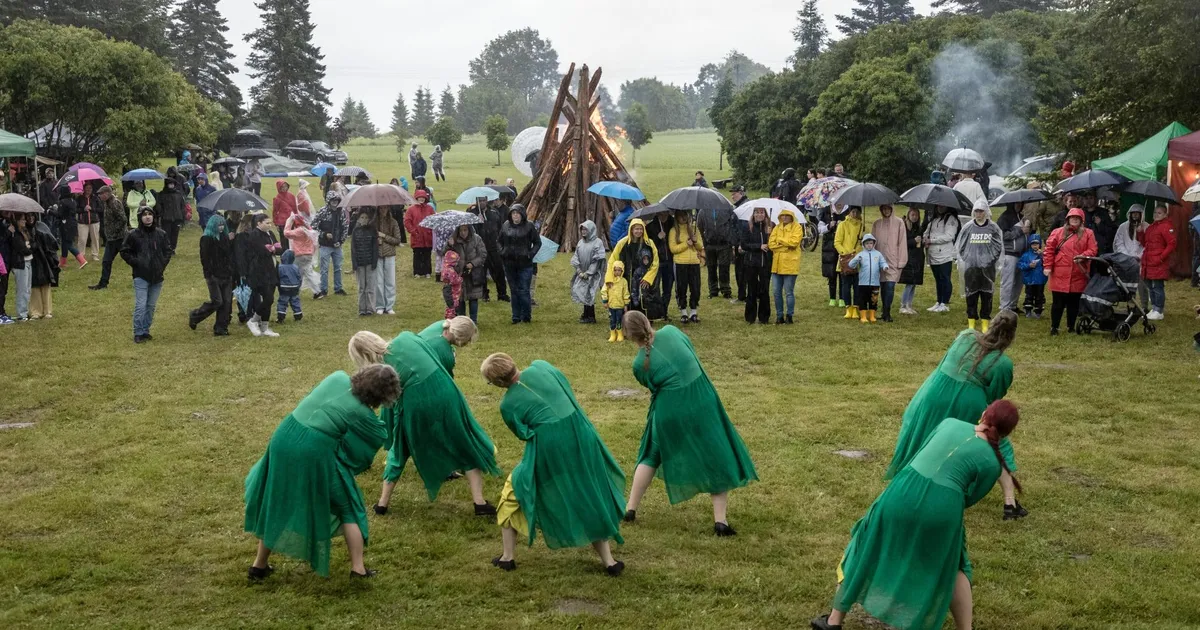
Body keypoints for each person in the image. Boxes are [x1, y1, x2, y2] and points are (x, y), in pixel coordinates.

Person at [811, 401, 1022, 630]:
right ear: (1006, 434)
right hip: (943, 510)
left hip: (901, 492)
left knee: (867, 546)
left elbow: (923, 452)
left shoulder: (949, 423)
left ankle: (833, 622)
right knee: (950, 564)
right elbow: (970, 498)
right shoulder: (992, 463)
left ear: (983, 414)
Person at [244, 365, 399, 580]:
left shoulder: (337, 378)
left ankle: (258, 566)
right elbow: (374, 438)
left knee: (280, 500)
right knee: (348, 506)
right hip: (311, 449)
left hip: (283, 436)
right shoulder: (362, 413)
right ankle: (358, 569)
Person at [480, 354, 627, 576]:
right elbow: (564, 387)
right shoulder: (542, 367)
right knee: (586, 492)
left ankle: (507, 557)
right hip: (582, 436)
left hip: (551, 448)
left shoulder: (508, 405)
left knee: (513, 491)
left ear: (498, 383)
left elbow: (523, 433)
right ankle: (609, 561)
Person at [621, 311, 757, 535]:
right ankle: (720, 521)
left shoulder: (639, 365)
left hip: (669, 411)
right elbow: (691, 355)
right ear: (647, 321)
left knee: (651, 454)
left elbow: (653, 386)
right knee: (715, 455)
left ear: (629, 336)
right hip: (702, 402)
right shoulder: (673, 332)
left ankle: (630, 509)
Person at [885, 312, 1024, 519]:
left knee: (922, 432)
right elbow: (995, 398)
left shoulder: (965, 336)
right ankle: (1010, 503)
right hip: (970, 405)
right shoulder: (1003, 364)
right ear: (1011, 336)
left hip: (933, 393)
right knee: (995, 441)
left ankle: (905, 482)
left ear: (991, 324)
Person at [347, 328, 500, 516]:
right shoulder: (407, 337)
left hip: (417, 405)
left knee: (400, 449)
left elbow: (390, 404)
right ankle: (480, 503)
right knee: (462, 442)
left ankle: (382, 504)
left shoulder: (381, 371)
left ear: (361, 354)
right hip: (447, 394)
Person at [120, 206, 174, 343]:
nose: (147, 217)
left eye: (150, 214)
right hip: (140, 275)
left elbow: (168, 250)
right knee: (141, 304)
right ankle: (138, 332)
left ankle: (145, 330)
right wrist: (136, 262)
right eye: (144, 215)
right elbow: (124, 251)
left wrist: (162, 264)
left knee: (151, 305)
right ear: (140, 218)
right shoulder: (133, 235)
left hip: (157, 276)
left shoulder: (161, 234)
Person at [1043, 207, 1097, 335]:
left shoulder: (1088, 233)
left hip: (1078, 272)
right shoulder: (1057, 232)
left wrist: (1083, 256)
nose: (1074, 220)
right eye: (1072, 217)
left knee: (1073, 303)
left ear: (1081, 220)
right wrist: (1047, 266)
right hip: (1060, 272)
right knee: (1058, 303)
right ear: (1067, 219)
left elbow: (1093, 249)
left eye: (1077, 218)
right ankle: (1054, 327)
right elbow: (1049, 249)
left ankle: (1071, 326)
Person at [956, 199, 1004, 332]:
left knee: (986, 296)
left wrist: (988, 261)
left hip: (988, 268)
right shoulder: (968, 227)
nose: (979, 214)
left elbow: (998, 247)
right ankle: (971, 323)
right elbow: (961, 246)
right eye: (976, 211)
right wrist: (969, 259)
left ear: (986, 212)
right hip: (971, 267)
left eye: (981, 211)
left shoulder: (993, 228)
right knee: (971, 295)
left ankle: (984, 323)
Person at [189, 215, 235, 336]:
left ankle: (221, 327)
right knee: (217, 301)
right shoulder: (206, 239)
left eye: (222, 224)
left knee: (226, 302)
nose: (221, 227)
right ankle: (195, 315)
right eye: (218, 225)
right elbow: (205, 258)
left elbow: (229, 256)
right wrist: (209, 274)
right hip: (214, 275)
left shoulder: (225, 237)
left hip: (226, 274)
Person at [239, 213, 282, 337]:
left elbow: (279, 248)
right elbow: (262, 251)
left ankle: (265, 327)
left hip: (272, 270)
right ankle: (253, 320)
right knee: (268, 298)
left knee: (269, 300)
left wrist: (273, 249)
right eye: (267, 223)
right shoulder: (254, 235)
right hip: (259, 272)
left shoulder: (270, 234)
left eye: (270, 223)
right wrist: (272, 249)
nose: (269, 225)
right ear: (258, 223)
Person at [608, 218, 660, 316]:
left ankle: (645, 317)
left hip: (644, 276)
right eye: (636, 229)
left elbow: (655, 262)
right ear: (631, 229)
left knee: (644, 297)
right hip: (627, 276)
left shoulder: (649, 243)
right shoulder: (622, 243)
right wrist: (611, 277)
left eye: (641, 229)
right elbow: (612, 260)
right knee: (627, 295)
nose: (639, 231)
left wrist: (648, 278)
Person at [498, 204, 539, 324]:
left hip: (524, 264)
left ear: (522, 214)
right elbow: (499, 241)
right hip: (509, 263)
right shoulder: (506, 225)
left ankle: (526, 315)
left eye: (517, 213)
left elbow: (537, 242)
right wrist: (502, 252)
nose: (515, 215)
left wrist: (530, 254)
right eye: (513, 213)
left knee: (524, 290)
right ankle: (515, 316)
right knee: (514, 290)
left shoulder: (529, 226)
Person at [1138, 204, 1177, 321]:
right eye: (1155, 212)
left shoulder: (1166, 226)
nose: (1156, 215)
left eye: (1159, 213)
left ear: (1165, 214)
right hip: (1148, 260)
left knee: (1157, 286)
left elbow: (1172, 243)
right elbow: (1145, 243)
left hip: (1158, 261)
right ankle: (1154, 308)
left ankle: (1159, 310)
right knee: (1150, 285)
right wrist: (1140, 233)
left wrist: (1161, 257)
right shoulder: (1151, 227)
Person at [871, 204, 907, 322]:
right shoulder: (877, 223)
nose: (886, 211)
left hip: (893, 259)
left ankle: (887, 311)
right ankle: (883, 312)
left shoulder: (899, 223)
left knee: (890, 285)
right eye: (884, 209)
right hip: (880, 260)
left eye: (888, 209)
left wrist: (901, 260)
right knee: (883, 286)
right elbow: (872, 242)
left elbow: (902, 242)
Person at [668, 209, 704, 324]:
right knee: (681, 288)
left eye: (685, 215)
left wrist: (694, 240)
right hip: (680, 263)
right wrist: (685, 244)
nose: (684, 218)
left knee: (695, 287)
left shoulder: (694, 229)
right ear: (677, 217)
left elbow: (700, 246)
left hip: (694, 262)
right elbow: (673, 249)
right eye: (681, 215)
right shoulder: (674, 231)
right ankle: (683, 312)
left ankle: (693, 311)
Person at [445, 224, 487, 323]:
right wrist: (449, 245)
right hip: (459, 273)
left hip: (473, 273)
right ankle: (462, 320)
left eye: (465, 230)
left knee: (473, 298)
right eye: (461, 230)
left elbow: (483, 254)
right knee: (460, 298)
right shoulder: (453, 240)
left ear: (469, 230)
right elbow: (445, 254)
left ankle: (473, 320)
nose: (463, 233)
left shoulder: (477, 239)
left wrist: (473, 263)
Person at [697, 198, 736, 301]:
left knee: (724, 268)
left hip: (724, 244)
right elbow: (700, 226)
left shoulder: (727, 209)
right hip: (710, 244)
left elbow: (733, 223)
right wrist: (704, 240)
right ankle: (713, 290)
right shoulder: (703, 211)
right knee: (711, 267)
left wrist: (729, 238)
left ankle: (726, 290)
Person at [89, 186, 127, 291]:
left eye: (101, 194)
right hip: (111, 239)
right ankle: (103, 284)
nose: (99, 196)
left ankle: (141, 279)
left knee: (130, 259)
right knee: (106, 261)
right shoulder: (106, 203)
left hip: (120, 238)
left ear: (107, 193)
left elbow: (123, 219)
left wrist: (115, 232)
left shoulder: (115, 203)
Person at [924, 205, 961, 313]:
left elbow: (949, 236)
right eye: (938, 205)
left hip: (945, 254)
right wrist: (924, 239)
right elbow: (927, 232)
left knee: (945, 278)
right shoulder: (934, 220)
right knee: (938, 279)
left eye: (943, 206)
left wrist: (932, 240)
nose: (940, 207)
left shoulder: (951, 220)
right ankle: (939, 301)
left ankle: (945, 302)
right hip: (932, 254)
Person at [768, 207, 802, 324]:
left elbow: (794, 243)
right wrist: (785, 246)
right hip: (776, 265)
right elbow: (771, 245)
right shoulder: (777, 227)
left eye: (787, 216)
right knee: (776, 292)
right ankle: (779, 316)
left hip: (790, 265)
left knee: (788, 292)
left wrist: (779, 240)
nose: (785, 217)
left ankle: (789, 315)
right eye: (783, 215)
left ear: (791, 217)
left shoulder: (797, 227)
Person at [470, 197, 508, 302]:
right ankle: (484, 295)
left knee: (498, 271)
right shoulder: (472, 213)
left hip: (494, 247)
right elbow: (471, 231)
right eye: (480, 200)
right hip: (480, 248)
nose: (482, 202)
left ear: (487, 200)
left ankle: (502, 294)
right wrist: (478, 222)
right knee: (481, 273)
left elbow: (500, 228)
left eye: (484, 200)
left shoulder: (494, 212)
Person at [740, 206, 773, 324]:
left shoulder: (770, 226)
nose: (760, 215)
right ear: (753, 214)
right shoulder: (747, 227)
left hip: (765, 263)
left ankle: (764, 317)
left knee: (764, 290)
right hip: (751, 262)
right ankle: (750, 316)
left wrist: (770, 240)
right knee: (752, 290)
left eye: (762, 212)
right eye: (757, 212)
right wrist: (759, 246)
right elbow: (744, 244)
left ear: (765, 214)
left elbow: (773, 243)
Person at [313, 191, 349, 299]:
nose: (335, 202)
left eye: (337, 200)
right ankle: (323, 290)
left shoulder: (341, 212)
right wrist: (324, 234)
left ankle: (338, 288)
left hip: (337, 246)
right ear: (328, 201)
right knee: (324, 269)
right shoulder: (322, 211)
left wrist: (341, 241)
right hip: (325, 246)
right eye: (333, 200)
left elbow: (345, 227)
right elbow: (313, 226)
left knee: (338, 267)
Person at [571, 220, 607, 324]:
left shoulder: (598, 242)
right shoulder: (580, 242)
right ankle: (586, 314)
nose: (583, 231)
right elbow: (576, 256)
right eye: (582, 229)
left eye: (585, 229)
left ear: (591, 229)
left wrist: (589, 272)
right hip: (582, 272)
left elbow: (598, 259)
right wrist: (578, 270)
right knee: (583, 291)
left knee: (590, 293)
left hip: (593, 273)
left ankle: (591, 316)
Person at [996, 202, 1029, 314]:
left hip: (1022, 254)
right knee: (1008, 282)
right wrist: (1020, 231)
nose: (1019, 205)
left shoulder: (1021, 217)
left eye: (1021, 203)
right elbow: (1002, 235)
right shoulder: (1004, 218)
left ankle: (1013, 305)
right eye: (1017, 203)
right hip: (1010, 254)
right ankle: (1004, 307)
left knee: (1019, 282)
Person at [371, 202, 403, 315]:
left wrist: (384, 237)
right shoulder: (374, 222)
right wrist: (376, 240)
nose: (383, 210)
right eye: (381, 207)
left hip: (389, 254)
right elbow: (370, 237)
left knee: (390, 281)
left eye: (385, 208)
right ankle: (380, 305)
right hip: (378, 254)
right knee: (378, 281)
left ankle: (389, 306)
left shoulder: (393, 222)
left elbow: (397, 240)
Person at [848, 234, 888, 324]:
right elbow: (851, 265)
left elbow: (883, 262)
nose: (869, 245)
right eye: (867, 243)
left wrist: (885, 266)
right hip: (863, 283)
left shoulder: (878, 254)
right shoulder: (861, 255)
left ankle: (872, 316)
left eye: (871, 243)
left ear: (874, 243)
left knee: (873, 300)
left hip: (875, 283)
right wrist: (856, 259)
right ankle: (863, 316)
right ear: (863, 244)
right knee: (863, 299)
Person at [25, 213, 58, 319]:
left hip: (43, 260)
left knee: (45, 284)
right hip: (31, 260)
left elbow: (52, 242)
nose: (30, 218)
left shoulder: (41, 227)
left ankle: (47, 310)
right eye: (28, 217)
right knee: (34, 285)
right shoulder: (23, 230)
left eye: (32, 216)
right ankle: (36, 311)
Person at [835, 206, 864, 319]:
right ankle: (848, 308)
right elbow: (837, 242)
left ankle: (856, 308)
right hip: (845, 259)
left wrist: (857, 253)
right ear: (849, 212)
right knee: (846, 285)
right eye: (853, 211)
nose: (855, 214)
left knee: (857, 286)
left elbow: (864, 243)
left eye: (857, 212)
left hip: (858, 259)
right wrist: (845, 253)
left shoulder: (862, 225)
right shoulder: (842, 224)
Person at [644, 211, 675, 319]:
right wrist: (658, 238)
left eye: (665, 214)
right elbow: (648, 245)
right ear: (657, 215)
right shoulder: (650, 227)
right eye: (661, 215)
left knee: (668, 288)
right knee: (655, 288)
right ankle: (656, 311)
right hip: (657, 261)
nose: (664, 217)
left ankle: (664, 311)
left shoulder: (673, 224)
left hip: (670, 261)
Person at [349, 208, 379, 317]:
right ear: (358, 219)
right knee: (362, 287)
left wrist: (374, 261)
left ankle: (370, 308)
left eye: (366, 217)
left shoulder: (372, 230)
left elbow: (375, 248)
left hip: (370, 262)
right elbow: (353, 249)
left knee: (370, 287)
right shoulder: (356, 231)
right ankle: (362, 308)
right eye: (362, 217)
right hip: (360, 263)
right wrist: (354, 264)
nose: (364, 219)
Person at [283, 211, 320, 297]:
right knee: (306, 272)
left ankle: (296, 290)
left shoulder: (299, 231)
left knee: (299, 273)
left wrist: (289, 221)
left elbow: (286, 233)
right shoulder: (308, 229)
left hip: (300, 254)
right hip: (308, 254)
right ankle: (316, 291)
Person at [899, 207, 925, 315]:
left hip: (918, 257)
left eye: (916, 215)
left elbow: (920, 243)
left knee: (914, 283)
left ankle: (909, 304)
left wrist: (923, 242)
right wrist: (914, 241)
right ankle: (903, 304)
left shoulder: (918, 227)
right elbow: (902, 242)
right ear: (909, 215)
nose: (914, 217)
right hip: (909, 258)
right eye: (912, 215)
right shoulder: (904, 227)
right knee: (909, 283)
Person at [54, 185, 86, 269]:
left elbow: (60, 215)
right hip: (72, 224)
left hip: (65, 225)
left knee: (68, 244)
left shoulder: (63, 202)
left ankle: (82, 260)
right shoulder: (73, 201)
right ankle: (62, 262)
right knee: (65, 243)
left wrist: (51, 211)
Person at [405, 190, 435, 277]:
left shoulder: (430, 209)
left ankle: (427, 272)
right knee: (417, 254)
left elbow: (434, 220)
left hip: (427, 236)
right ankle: (417, 272)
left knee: (427, 255)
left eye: (423, 197)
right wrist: (413, 231)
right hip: (417, 236)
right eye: (419, 197)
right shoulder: (411, 209)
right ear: (416, 198)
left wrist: (430, 230)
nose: (421, 199)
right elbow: (407, 221)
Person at [820, 205, 845, 307]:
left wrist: (843, 225)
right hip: (829, 246)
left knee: (843, 272)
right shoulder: (826, 210)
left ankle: (843, 298)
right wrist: (828, 226)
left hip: (844, 245)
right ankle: (832, 298)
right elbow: (819, 229)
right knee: (831, 271)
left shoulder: (848, 210)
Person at [602, 260, 631, 341]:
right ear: (612, 270)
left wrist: (626, 304)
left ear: (622, 271)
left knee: (619, 319)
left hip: (620, 305)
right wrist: (605, 301)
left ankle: (620, 333)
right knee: (612, 320)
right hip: (611, 305)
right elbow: (604, 291)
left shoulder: (624, 281)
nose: (617, 272)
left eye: (619, 270)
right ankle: (612, 334)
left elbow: (626, 293)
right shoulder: (609, 281)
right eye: (615, 270)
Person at [729, 185, 749, 302]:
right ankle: (743, 294)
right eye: (731, 194)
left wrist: (741, 244)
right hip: (737, 242)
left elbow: (744, 227)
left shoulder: (745, 206)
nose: (732, 196)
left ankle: (743, 296)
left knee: (742, 270)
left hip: (742, 244)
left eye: (734, 194)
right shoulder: (738, 206)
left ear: (741, 193)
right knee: (740, 270)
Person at [1020, 235, 1047, 318]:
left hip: (1040, 279)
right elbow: (1020, 264)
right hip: (1029, 279)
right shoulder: (1026, 255)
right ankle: (1028, 310)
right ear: (1030, 245)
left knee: (1039, 295)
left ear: (1040, 245)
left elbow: (1048, 263)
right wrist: (1029, 265)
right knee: (1029, 295)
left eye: (1037, 244)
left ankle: (1038, 311)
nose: (1035, 246)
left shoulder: (1043, 255)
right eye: (1033, 244)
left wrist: (1042, 255)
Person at [156, 177, 186, 251]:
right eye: (170, 184)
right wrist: (162, 214)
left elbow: (182, 205)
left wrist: (182, 215)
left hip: (177, 217)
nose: (171, 186)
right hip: (166, 218)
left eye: (173, 184)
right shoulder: (162, 194)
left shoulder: (178, 194)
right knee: (166, 234)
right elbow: (158, 206)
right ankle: (167, 248)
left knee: (175, 234)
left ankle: (173, 248)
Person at [76, 182, 102, 261]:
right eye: (87, 188)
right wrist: (83, 209)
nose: (88, 190)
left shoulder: (95, 198)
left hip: (94, 221)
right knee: (82, 239)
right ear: (84, 189)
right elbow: (75, 209)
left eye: (90, 188)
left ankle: (95, 254)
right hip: (82, 221)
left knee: (95, 238)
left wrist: (92, 209)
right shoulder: (79, 198)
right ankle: (81, 255)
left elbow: (101, 209)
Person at [276, 250, 303, 323]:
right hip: (294, 287)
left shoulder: (280, 267)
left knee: (282, 302)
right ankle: (298, 315)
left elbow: (278, 277)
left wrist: (278, 284)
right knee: (295, 301)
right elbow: (299, 277)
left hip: (284, 288)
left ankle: (281, 316)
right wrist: (298, 286)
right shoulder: (295, 267)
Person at [272, 180, 297, 251]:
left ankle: (291, 251)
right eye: (282, 187)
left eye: (285, 186)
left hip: (291, 219)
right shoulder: (277, 198)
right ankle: (284, 253)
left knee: (291, 237)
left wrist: (296, 218)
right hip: (282, 221)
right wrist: (275, 222)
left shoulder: (291, 196)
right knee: (283, 238)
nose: (284, 188)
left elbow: (295, 208)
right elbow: (275, 211)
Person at [441, 245, 464, 320]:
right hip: (453, 291)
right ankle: (451, 319)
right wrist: (460, 279)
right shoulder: (451, 271)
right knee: (453, 306)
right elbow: (454, 280)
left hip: (448, 289)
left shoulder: (445, 268)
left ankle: (449, 317)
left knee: (449, 306)